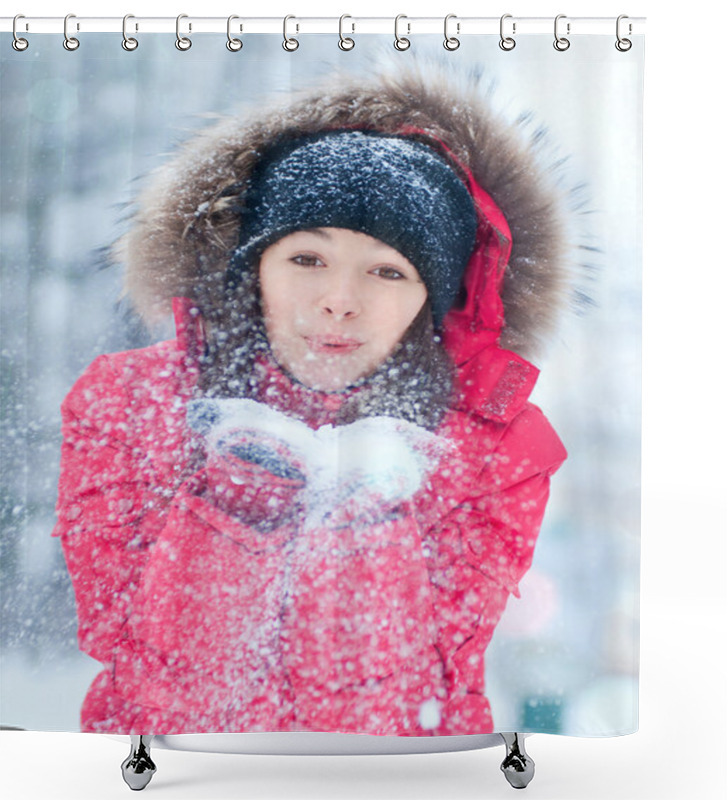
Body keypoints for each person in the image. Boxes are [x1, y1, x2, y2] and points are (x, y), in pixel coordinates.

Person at [54, 69, 570, 736]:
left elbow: (414, 698)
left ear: (431, 305)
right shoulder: (128, 405)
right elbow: (150, 676)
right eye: (306, 259)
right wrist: (235, 513)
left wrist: (363, 521)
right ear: (252, 267)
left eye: (388, 271)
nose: (339, 300)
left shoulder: (489, 450)